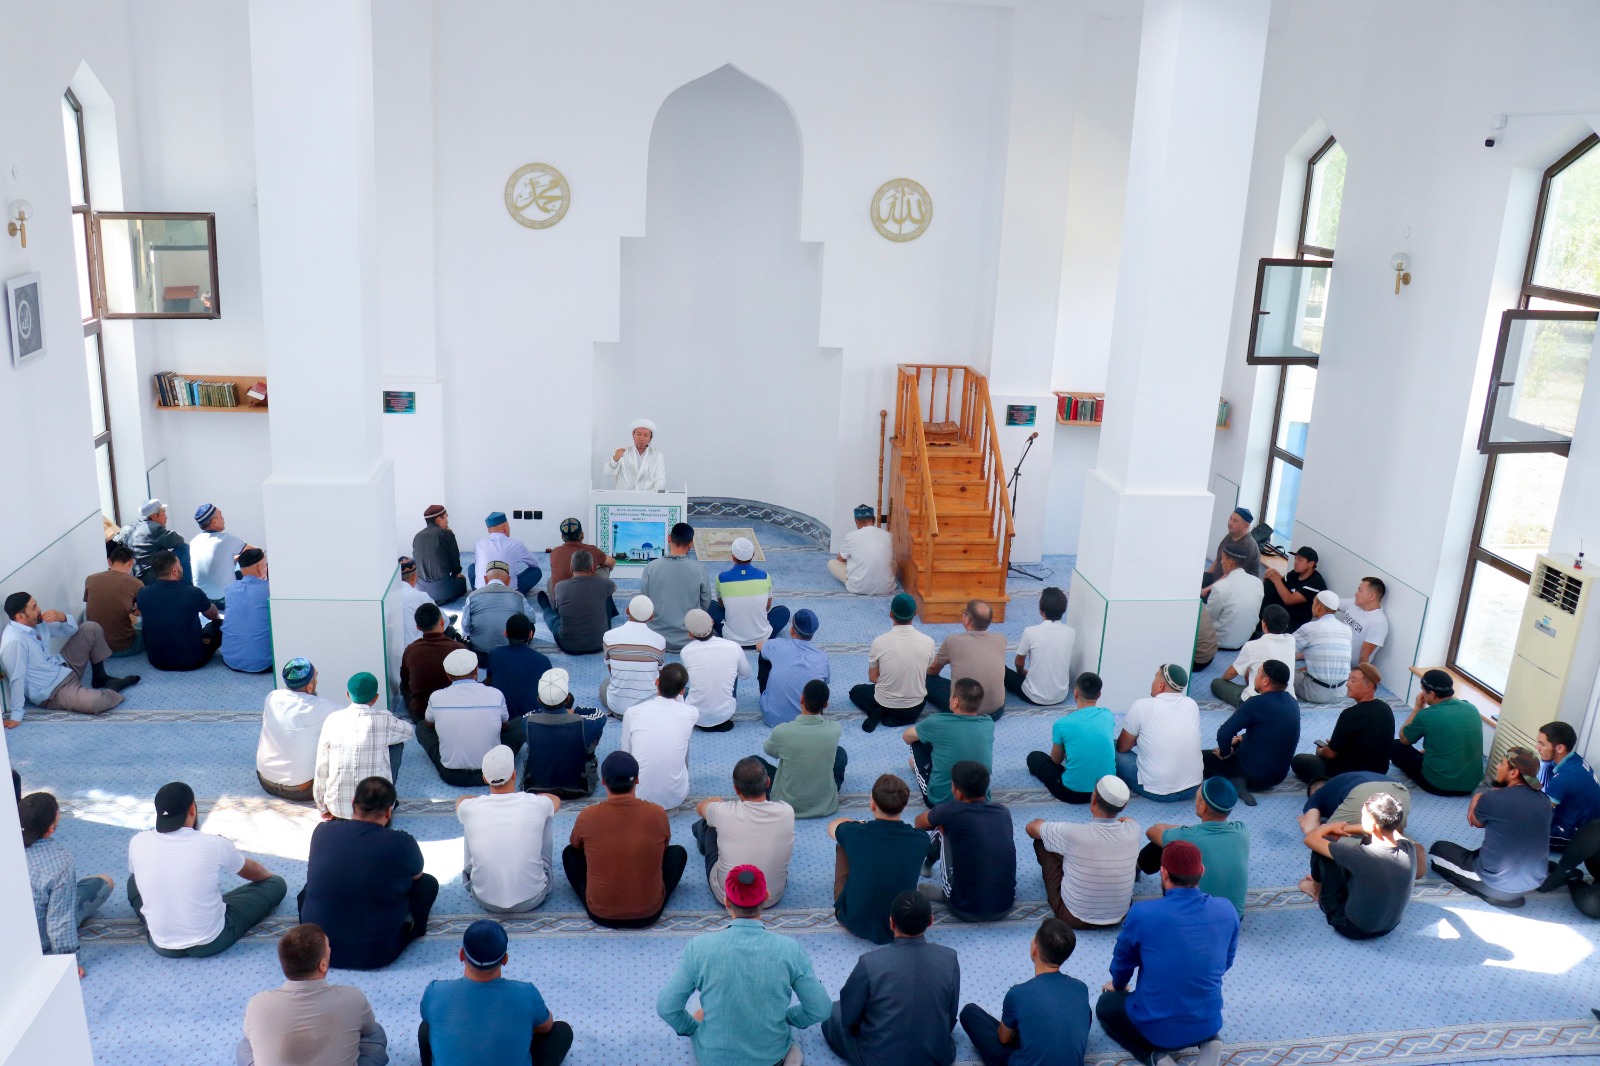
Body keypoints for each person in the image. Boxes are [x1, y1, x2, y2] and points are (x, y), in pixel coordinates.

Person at [657, 865, 830, 1066]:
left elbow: (666, 1007)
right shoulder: (790, 950)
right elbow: (820, 1009)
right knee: (790, 1036)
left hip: (713, 1059)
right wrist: (788, 1018)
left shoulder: (699, 948)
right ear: (766, 897)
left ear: (726, 901)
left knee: (702, 1008)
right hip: (772, 1059)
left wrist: (693, 1028)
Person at [1097, 841, 1236, 1066]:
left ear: (1163, 873)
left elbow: (1123, 963)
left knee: (1105, 1005)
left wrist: (1118, 985)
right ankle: (1211, 1041)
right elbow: (1226, 962)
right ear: (1201, 871)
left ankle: (1155, 1057)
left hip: (1156, 1031)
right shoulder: (1227, 910)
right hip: (1208, 1021)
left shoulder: (1142, 914)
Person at [127, 781, 287, 957]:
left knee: (133, 881)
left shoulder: (137, 842)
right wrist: (268, 878)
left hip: (162, 945)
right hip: (211, 941)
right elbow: (254, 873)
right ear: (192, 809)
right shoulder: (214, 843)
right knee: (276, 884)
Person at [299, 776, 438, 969]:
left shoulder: (322, 831)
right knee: (428, 884)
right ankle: (415, 929)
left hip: (316, 948)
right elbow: (417, 877)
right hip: (376, 954)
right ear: (389, 811)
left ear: (352, 803)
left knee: (313, 885)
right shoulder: (402, 843)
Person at [823, 891, 960, 1066]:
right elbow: (950, 1016)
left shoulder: (870, 963)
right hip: (936, 1055)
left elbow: (849, 1017)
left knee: (832, 1012)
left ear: (891, 922)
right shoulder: (949, 958)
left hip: (878, 1059)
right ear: (931, 921)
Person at [419, 919, 573, 1066]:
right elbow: (545, 1027)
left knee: (426, 1029)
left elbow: (428, 1017)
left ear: (461, 955)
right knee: (561, 1031)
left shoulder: (435, 992)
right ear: (505, 959)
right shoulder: (526, 993)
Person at [563, 751, 688, 928]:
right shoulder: (657, 813)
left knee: (570, 854)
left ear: (603, 781)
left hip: (600, 914)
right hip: (649, 913)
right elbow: (664, 847)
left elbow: (575, 844)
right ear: (637, 779)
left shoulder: (587, 815)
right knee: (677, 853)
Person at [239, 923, 389, 1066]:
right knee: (376, 1033)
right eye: (328, 947)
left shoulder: (257, 1004)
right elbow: (369, 1028)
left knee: (245, 1045)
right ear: (322, 965)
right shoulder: (353, 998)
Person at [958, 917, 1092, 1066]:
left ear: (1035, 950)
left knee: (970, 1013)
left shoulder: (1017, 994)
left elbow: (1004, 1038)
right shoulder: (1081, 989)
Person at [1430, 747, 1551, 907]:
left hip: (1495, 883)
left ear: (1514, 773)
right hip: (1533, 883)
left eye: (1501, 763)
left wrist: (1477, 798)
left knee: (1438, 851)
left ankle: (1492, 895)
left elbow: (1475, 822)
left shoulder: (1492, 798)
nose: (1497, 767)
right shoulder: (1545, 801)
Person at [1300, 791, 1418, 940]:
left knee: (1322, 849)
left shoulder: (1360, 855)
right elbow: (1377, 831)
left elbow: (1311, 839)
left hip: (1352, 927)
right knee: (1364, 846)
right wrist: (1345, 829)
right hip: (1390, 926)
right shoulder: (1408, 847)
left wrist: (1328, 827)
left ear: (1373, 825)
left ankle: (1316, 892)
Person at [1027, 775, 1141, 929]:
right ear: (1124, 806)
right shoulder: (1134, 830)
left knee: (1042, 842)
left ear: (1093, 800)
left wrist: (1042, 823)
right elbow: (1127, 820)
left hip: (1073, 916)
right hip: (1120, 914)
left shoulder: (1072, 833)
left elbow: (1031, 829)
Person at [1, 591, 134, 722]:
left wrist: (63, 617)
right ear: (20, 616)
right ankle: (112, 690)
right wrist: (16, 715)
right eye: (34, 607)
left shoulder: (36, 623)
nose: (39, 609)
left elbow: (72, 630)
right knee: (96, 702)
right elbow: (16, 678)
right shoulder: (15, 641)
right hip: (54, 691)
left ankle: (100, 677)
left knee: (90, 628)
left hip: (63, 666)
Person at [828, 774, 929, 944]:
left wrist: (857, 824)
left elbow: (832, 827)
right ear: (904, 805)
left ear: (873, 804)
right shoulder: (921, 840)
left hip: (853, 921)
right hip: (903, 923)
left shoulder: (854, 833)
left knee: (843, 842)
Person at [458, 746, 560, 913]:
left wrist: (476, 801)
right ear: (514, 774)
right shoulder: (534, 803)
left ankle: (472, 874)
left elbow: (460, 802)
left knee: (468, 817)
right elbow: (554, 800)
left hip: (483, 899)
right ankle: (544, 869)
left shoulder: (471, 807)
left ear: (485, 779)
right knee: (546, 814)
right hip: (533, 897)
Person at [21, 792, 113, 976]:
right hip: (36, 939)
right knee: (105, 881)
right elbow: (59, 921)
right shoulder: (59, 861)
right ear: (50, 828)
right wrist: (68, 962)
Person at [915, 761, 1015, 921]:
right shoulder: (1003, 812)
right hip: (1005, 905)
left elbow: (919, 823)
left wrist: (942, 818)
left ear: (958, 792)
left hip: (963, 908)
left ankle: (936, 879)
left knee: (941, 830)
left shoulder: (950, 811)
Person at [1138, 777, 1250, 919]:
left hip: (1191, 918)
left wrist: (1184, 830)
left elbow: (1152, 832)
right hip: (1232, 918)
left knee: (1165, 847)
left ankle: (1135, 869)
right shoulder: (1242, 831)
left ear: (1202, 806)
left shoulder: (1188, 836)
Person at [694, 757, 796, 908]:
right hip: (772, 895)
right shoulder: (786, 811)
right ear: (768, 782)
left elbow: (700, 808)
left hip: (729, 895)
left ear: (736, 789)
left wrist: (716, 804)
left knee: (707, 824)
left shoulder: (723, 812)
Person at [313, 672, 415, 821]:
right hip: (376, 814)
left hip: (337, 810)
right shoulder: (384, 719)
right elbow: (409, 732)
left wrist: (322, 806)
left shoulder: (332, 719)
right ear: (376, 698)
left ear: (347, 695)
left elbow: (321, 767)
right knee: (396, 744)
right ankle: (388, 799)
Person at [1201, 659, 1299, 805]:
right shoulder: (1292, 702)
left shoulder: (1256, 703)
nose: (1255, 678)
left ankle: (1236, 780)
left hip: (1252, 775)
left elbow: (1224, 733)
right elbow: (1271, 731)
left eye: (1258, 674)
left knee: (1201, 758)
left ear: (1265, 681)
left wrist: (1225, 753)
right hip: (1278, 776)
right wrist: (1241, 738)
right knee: (1237, 744)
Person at [420, 648, 522, 787]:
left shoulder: (436, 697)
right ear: (476, 671)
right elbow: (505, 724)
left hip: (450, 775)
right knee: (519, 724)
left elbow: (428, 723)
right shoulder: (495, 694)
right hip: (492, 772)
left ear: (448, 675)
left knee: (421, 728)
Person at [1290, 663, 1393, 783]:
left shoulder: (1350, 714)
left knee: (1299, 760)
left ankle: (1333, 785)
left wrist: (1321, 751)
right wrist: (1337, 744)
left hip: (1350, 775)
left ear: (1369, 687)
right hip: (1379, 773)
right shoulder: (1386, 708)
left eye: (1353, 680)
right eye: (1348, 679)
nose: (1348, 684)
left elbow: (1330, 754)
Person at [1115, 665, 1202, 802]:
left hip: (1158, 790)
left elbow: (1122, 747)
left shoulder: (1142, 706)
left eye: (1155, 678)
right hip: (1193, 788)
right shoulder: (1192, 704)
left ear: (1160, 685)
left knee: (1110, 747)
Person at [761, 679, 848, 818]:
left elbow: (769, 750)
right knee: (840, 752)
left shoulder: (782, 731)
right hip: (825, 804)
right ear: (826, 704)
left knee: (754, 762)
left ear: (801, 699)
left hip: (786, 803)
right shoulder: (835, 729)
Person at [257, 658, 341, 801]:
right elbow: (354, 716)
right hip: (302, 790)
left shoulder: (272, 697)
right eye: (316, 677)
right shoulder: (321, 707)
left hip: (265, 782)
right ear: (310, 687)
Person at [1389, 668, 1483, 796]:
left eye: (1423, 690)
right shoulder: (1471, 708)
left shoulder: (1427, 715)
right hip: (1471, 785)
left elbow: (1404, 739)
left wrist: (1417, 708)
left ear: (1432, 694)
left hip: (1438, 784)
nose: (1421, 693)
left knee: (1396, 746)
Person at [852, 593, 936, 731]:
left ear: (891, 614)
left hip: (884, 701)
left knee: (855, 691)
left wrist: (892, 683)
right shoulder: (929, 642)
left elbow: (873, 677)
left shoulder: (879, 642)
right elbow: (924, 671)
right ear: (915, 613)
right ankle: (890, 717)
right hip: (914, 708)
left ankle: (878, 712)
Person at [1026, 672, 1114, 804]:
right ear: (1099, 694)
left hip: (1072, 793)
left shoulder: (1062, 724)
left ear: (1075, 693)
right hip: (1105, 792)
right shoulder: (1108, 715)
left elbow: (1056, 760)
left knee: (1035, 757)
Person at [906, 678, 995, 807]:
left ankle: (921, 771)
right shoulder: (988, 723)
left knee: (917, 741)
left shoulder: (937, 722)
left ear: (955, 702)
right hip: (981, 800)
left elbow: (907, 737)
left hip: (939, 801)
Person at [620, 663, 699, 809]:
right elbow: (680, 706)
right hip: (676, 797)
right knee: (683, 742)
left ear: (656, 682)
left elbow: (626, 753)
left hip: (639, 795)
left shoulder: (632, 713)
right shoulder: (691, 713)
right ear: (682, 691)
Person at [524, 668, 608, 798]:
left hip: (537, 787)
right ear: (568, 698)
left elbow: (531, 714)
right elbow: (599, 714)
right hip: (577, 788)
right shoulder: (582, 724)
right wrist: (575, 711)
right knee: (593, 731)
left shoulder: (527, 721)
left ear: (539, 700)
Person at [137, 550, 222, 670]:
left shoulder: (143, 593)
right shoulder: (193, 593)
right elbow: (212, 614)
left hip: (157, 660)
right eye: (180, 564)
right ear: (174, 570)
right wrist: (217, 619)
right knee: (220, 625)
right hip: (192, 660)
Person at [926, 598, 1006, 717]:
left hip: (964, 711)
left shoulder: (952, 641)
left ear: (967, 619)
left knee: (926, 680)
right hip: (996, 711)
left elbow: (933, 669)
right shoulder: (1001, 639)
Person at [639, 522, 713, 651]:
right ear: (691, 544)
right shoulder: (699, 569)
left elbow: (644, 600)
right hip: (689, 637)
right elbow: (705, 602)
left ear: (669, 539)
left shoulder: (651, 567)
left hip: (656, 637)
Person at [680, 607, 753, 731]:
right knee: (732, 668)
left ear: (690, 634)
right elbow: (746, 674)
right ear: (712, 622)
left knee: (684, 690)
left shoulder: (686, 651)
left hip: (696, 715)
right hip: (726, 714)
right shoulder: (733, 647)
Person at [708, 536, 790, 646]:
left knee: (708, 605)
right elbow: (767, 607)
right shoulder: (765, 576)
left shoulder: (721, 578)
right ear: (753, 555)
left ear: (732, 556)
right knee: (783, 611)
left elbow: (722, 605)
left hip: (731, 638)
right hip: (762, 637)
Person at [1208, 606, 1294, 707]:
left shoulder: (1252, 646)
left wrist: (1223, 680)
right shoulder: (1291, 640)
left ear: (1263, 624)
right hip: (1287, 700)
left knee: (1216, 683)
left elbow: (1232, 673)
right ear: (1286, 625)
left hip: (1257, 702)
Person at [757, 608, 829, 726]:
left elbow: (759, 645)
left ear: (792, 630)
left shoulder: (778, 645)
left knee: (764, 654)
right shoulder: (822, 657)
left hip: (772, 717)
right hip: (809, 720)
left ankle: (769, 697)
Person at [1005, 586, 1075, 706]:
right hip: (1061, 695)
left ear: (1041, 611)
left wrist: (1021, 672)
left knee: (1002, 670)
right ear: (1063, 610)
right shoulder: (1071, 632)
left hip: (1034, 696)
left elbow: (1019, 662)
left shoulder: (1030, 632)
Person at [538, 549, 617, 654]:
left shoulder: (560, 586)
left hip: (569, 646)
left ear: (571, 567)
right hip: (600, 643)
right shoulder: (605, 583)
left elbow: (558, 610)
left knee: (553, 619)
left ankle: (545, 606)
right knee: (607, 595)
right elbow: (613, 588)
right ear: (592, 567)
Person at [400, 603, 470, 720]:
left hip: (421, 713)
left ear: (418, 627)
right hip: (454, 711)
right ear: (442, 622)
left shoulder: (411, 650)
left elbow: (405, 681)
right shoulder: (459, 649)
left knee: (403, 685)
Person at [1538, 721, 1600, 848]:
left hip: (1579, 835)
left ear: (1560, 748)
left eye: (1542, 744)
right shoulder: (1575, 759)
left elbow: (1540, 813)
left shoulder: (1563, 779)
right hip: (1592, 825)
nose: (1537, 747)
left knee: (1525, 826)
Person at [601, 594, 667, 714]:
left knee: (606, 683)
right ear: (651, 617)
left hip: (618, 708)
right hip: (648, 708)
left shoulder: (609, 637)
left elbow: (611, 670)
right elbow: (659, 673)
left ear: (627, 611)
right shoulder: (659, 641)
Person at [1300, 771, 1413, 835]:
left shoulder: (1317, 795)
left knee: (1326, 835)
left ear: (1313, 792)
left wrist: (1309, 821)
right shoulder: (1344, 779)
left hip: (1362, 791)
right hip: (1401, 791)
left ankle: (1377, 830)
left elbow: (1310, 830)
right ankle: (1392, 830)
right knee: (1387, 827)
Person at [461, 562, 535, 658]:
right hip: (510, 651)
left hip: (480, 652)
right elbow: (532, 618)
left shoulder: (472, 596)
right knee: (530, 625)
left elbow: (465, 627)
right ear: (508, 580)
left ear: (485, 579)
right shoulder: (518, 596)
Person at [487, 614, 552, 720]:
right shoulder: (543, 660)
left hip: (501, 720)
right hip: (532, 721)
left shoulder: (494, 655)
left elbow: (490, 681)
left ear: (505, 633)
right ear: (530, 634)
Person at [84, 544, 144, 657]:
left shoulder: (90, 579)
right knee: (142, 628)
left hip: (95, 647)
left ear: (109, 562)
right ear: (131, 563)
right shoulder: (136, 583)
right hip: (123, 647)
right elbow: (143, 612)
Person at [1293, 591, 1354, 703]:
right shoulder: (1347, 629)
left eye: (1313, 603)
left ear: (1318, 606)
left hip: (1316, 693)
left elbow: (1286, 649)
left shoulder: (1310, 628)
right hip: (1341, 692)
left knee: (1287, 674)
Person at [221, 547, 273, 673]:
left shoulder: (229, 590)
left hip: (230, 659)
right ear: (260, 567)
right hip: (264, 662)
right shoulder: (269, 591)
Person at [1201, 546, 1263, 651]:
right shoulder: (1258, 582)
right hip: (1245, 639)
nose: (1221, 562)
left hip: (1220, 641)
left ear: (1230, 562)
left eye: (1222, 559)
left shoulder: (1220, 587)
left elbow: (1208, 618)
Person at [118, 498, 190, 584]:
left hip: (139, 578)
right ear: (154, 516)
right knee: (183, 548)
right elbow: (178, 540)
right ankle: (187, 585)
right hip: (155, 577)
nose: (166, 517)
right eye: (163, 512)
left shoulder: (134, 529)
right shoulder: (154, 529)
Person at [829, 504, 896, 595]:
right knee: (894, 563)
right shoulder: (888, 535)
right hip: (886, 588)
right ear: (874, 519)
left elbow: (840, 559)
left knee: (832, 563)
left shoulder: (851, 536)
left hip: (858, 588)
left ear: (856, 521)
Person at [191, 503, 248, 605]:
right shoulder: (226, 539)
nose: (223, 518)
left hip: (204, 601)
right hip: (225, 599)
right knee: (245, 561)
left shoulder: (194, 542)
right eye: (221, 515)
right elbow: (255, 552)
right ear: (214, 522)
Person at [1260, 546, 1327, 631]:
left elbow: (1289, 600)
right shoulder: (1294, 574)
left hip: (1294, 620)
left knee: (1273, 582)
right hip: (1280, 611)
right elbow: (1280, 585)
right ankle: (1259, 615)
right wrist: (1270, 574)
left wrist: (1275, 579)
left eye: (1300, 560)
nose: (1295, 563)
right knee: (1269, 584)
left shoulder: (1315, 582)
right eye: (1295, 559)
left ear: (1311, 564)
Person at [473, 512, 542, 593]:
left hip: (481, 592)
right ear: (505, 528)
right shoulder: (516, 544)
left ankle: (479, 590)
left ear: (489, 530)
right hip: (510, 593)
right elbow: (535, 563)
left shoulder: (479, 543)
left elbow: (476, 564)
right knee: (536, 571)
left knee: (471, 568)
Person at [545, 517, 613, 598]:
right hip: (589, 600)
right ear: (582, 535)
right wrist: (596, 566)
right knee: (605, 568)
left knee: (550, 581)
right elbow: (611, 562)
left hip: (561, 603)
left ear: (562, 537)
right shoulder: (592, 550)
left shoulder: (555, 552)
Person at [412, 504, 467, 604]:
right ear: (438, 519)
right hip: (443, 589)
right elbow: (455, 565)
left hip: (421, 590)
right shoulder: (447, 534)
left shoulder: (417, 536)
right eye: (446, 517)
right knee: (462, 581)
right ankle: (442, 597)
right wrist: (456, 574)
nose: (447, 521)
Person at [1335, 576, 1390, 667]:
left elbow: (1364, 656)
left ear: (1372, 596)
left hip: (1345, 667)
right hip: (1331, 654)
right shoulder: (1354, 604)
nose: (1356, 594)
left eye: (1360, 591)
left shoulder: (1378, 622)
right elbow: (1330, 603)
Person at [1201, 506, 1260, 587]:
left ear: (1246, 526)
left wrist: (1207, 589)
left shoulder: (1248, 546)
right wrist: (1206, 576)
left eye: (1235, 521)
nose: (1230, 523)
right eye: (1230, 519)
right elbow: (1218, 559)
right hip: (1217, 581)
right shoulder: (1230, 535)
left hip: (1233, 587)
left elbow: (1231, 576)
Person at [607, 417, 666, 491]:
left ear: (650, 438)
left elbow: (660, 480)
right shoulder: (621, 452)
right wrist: (615, 459)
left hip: (647, 497)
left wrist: (655, 496)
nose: (641, 438)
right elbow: (608, 472)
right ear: (633, 435)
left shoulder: (657, 456)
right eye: (639, 434)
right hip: (623, 496)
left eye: (645, 435)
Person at [395, 557, 436, 649]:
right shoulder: (421, 596)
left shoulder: (389, 597)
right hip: (418, 651)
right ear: (414, 577)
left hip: (392, 653)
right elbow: (442, 621)